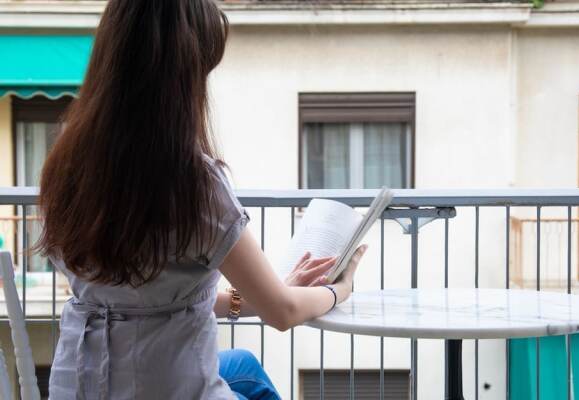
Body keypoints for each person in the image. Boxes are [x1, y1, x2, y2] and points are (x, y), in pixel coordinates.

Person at [35, 1, 367, 399]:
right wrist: (340, 289)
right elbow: (283, 313)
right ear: (184, 76)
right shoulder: (192, 183)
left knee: (242, 364)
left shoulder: (66, 165)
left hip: (79, 386)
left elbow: (143, 299)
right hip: (165, 387)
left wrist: (262, 296)